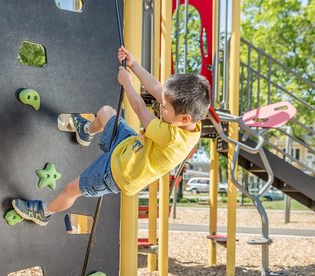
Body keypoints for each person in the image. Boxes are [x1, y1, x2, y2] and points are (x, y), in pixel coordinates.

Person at [12, 46, 210, 226]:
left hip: (119, 172)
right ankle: (86, 131)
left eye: (165, 108)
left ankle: (43, 212)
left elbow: (140, 108)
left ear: (184, 118)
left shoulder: (172, 138)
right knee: (106, 112)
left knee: (72, 187)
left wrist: (127, 84)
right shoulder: (191, 120)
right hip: (131, 146)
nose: (161, 106)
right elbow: (159, 90)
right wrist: (134, 65)